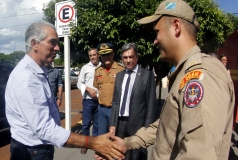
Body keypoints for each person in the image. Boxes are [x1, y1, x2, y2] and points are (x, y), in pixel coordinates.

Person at [95, 0, 235, 159]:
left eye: (157, 32)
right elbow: (167, 125)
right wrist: (126, 143)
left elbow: (200, 154)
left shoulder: (201, 75)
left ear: (176, 26)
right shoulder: (184, 73)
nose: (155, 40)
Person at [5, 21, 126, 160]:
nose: (57, 48)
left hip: (36, 149)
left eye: (58, 43)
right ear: (34, 43)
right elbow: (45, 129)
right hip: (33, 152)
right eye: (52, 42)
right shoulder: (27, 78)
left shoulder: (37, 71)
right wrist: (94, 142)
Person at [109, 43, 157, 160]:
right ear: (122, 59)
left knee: (137, 155)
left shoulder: (147, 75)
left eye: (131, 57)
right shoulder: (119, 76)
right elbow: (115, 102)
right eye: (125, 57)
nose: (128, 60)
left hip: (138, 125)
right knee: (120, 155)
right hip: (120, 124)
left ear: (136, 57)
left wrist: (147, 128)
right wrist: (112, 124)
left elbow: (151, 104)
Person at [93, 43, 125, 135]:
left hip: (115, 110)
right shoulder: (98, 71)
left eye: (108, 54)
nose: (106, 57)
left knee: (115, 136)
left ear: (113, 54)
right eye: (103, 55)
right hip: (101, 109)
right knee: (102, 136)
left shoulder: (121, 70)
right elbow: (97, 87)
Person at [77, 48, 101, 154]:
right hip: (88, 101)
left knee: (97, 123)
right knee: (86, 124)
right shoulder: (85, 68)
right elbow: (79, 83)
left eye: (94, 55)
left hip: (100, 100)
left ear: (98, 55)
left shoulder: (103, 66)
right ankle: (85, 144)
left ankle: (94, 143)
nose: (92, 57)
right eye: (90, 55)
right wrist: (88, 89)